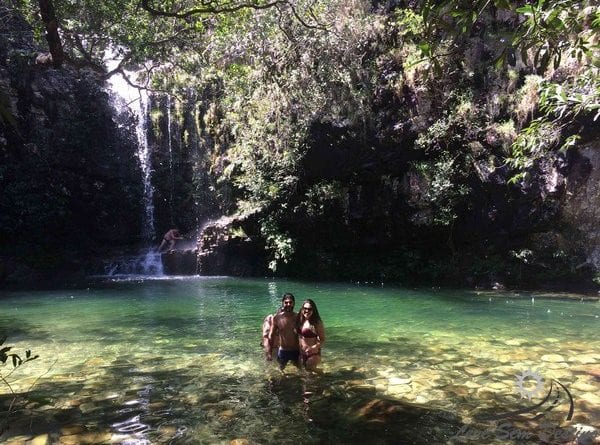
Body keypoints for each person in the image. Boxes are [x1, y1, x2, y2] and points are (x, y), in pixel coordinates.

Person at [267, 293, 300, 370]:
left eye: (290, 302)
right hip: (283, 351)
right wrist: (269, 353)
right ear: (282, 303)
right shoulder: (277, 318)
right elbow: (271, 336)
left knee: (301, 371)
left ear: (294, 303)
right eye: (286, 302)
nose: (288, 304)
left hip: (296, 350)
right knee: (280, 372)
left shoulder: (298, 317)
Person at [297, 299, 325, 372]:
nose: (307, 311)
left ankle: (324, 375)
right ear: (302, 309)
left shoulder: (317, 323)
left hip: (313, 353)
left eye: (309, 309)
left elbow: (322, 339)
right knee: (306, 372)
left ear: (313, 310)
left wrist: (314, 347)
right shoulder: (300, 320)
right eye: (305, 308)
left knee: (310, 369)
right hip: (302, 353)